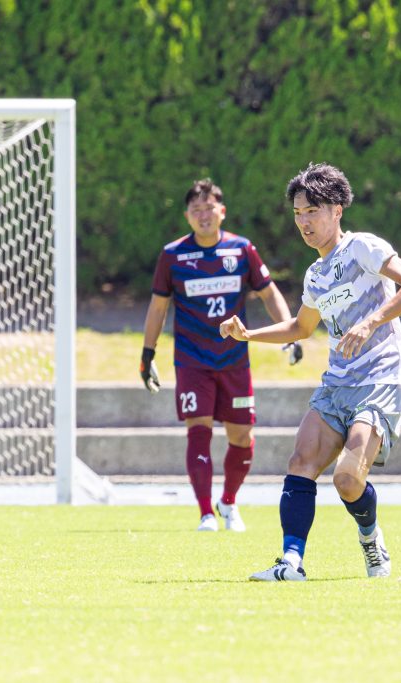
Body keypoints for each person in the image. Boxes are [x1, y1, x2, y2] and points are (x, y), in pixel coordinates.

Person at [219, 162, 401, 580]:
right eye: (298, 213)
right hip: (336, 385)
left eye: (312, 211)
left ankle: (371, 538)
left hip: (378, 380)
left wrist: (370, 322)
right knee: (301, 461)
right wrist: (248, 335)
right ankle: (291, 562)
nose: (304, 222)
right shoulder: (315, 275)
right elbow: (301, 328)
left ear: (337, 210)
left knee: (348, 480)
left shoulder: (363, 247)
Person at [140, 178, 302, 532]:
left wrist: (290, 333)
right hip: (192, 362)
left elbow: (269, 292)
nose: (203, 215)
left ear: (222, 212)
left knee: (242, 436)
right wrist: (147, 354)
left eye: (209, 208)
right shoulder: (173, 255)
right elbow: (158, 307)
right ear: (187, 216)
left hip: (234, 361)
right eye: (196, 210)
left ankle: (228, 502)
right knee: (198, 432)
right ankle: (205, 513)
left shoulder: (241, 250)